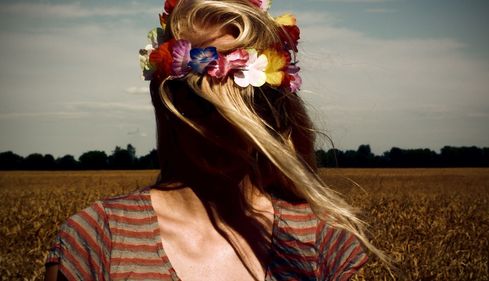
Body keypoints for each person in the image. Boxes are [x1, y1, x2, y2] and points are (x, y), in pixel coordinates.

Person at [45, 0, 386, 280]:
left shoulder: (322, 241)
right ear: (165, 102)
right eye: (197, 99)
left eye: (248, 100)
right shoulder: (96, 239)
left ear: (274, 110)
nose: (219, 124)